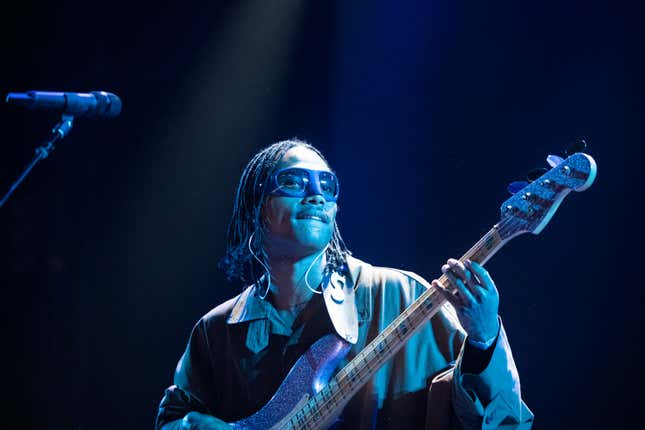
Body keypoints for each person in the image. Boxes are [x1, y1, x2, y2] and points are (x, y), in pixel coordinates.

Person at [155, 139, 534, 429]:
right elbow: (173, 418)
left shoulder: (401, 295)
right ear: (257, 207)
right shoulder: (216, 331)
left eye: (326, 184)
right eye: (293, 181)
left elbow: (507, 421)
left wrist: (484, 341)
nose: (316, 194)